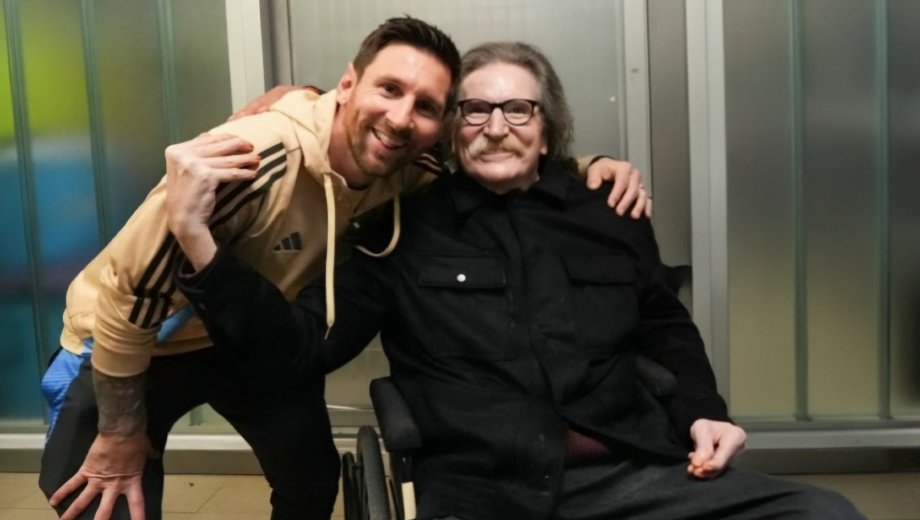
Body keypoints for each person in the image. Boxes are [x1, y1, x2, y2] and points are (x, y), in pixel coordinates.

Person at [171, 41, 867, 519]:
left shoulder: (609, 212)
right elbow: (306, 349)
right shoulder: (398, 227)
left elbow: (663, 324)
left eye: (518, 109)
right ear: (449, 129)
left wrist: (703, 410)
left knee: (824, 511)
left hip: (638, 477)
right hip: (482, 491)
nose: (496, 127)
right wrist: (204, 249)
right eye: (474, 109)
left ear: (547, 123)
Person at [39, 17, 649, 520]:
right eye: (389, 90)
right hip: (131, 343)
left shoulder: (410, 163)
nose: (403, 118)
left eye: (426, 106)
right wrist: (121, 434)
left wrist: (590, 166)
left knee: (310, 485)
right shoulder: (248, 161)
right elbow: (130, 296)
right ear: (348, 84)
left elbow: (493, 154)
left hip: (244, 334)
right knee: (101, 498)